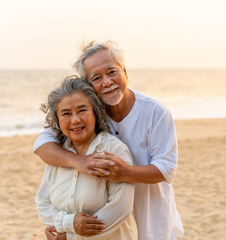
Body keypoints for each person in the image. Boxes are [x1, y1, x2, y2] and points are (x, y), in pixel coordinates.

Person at [33, 41, 184, 240]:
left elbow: (166, 168)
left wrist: (124, 172)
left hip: (154, 223)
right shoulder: (88, 115)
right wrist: (81, 162)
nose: (106, 82)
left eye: (111, 72)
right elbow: (42, 144)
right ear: (88, 86)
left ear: (125, 71)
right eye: (96, 78)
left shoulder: (155, 112)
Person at [35, 76, 138, 240]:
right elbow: (42, 204)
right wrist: (69, 223)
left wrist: (69, 236)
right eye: (66, 113)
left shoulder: (114, 150)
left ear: (95, 112)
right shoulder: (58, 154)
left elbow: (120, 211)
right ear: (58, 120)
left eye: (82, 110)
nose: (75, 120)